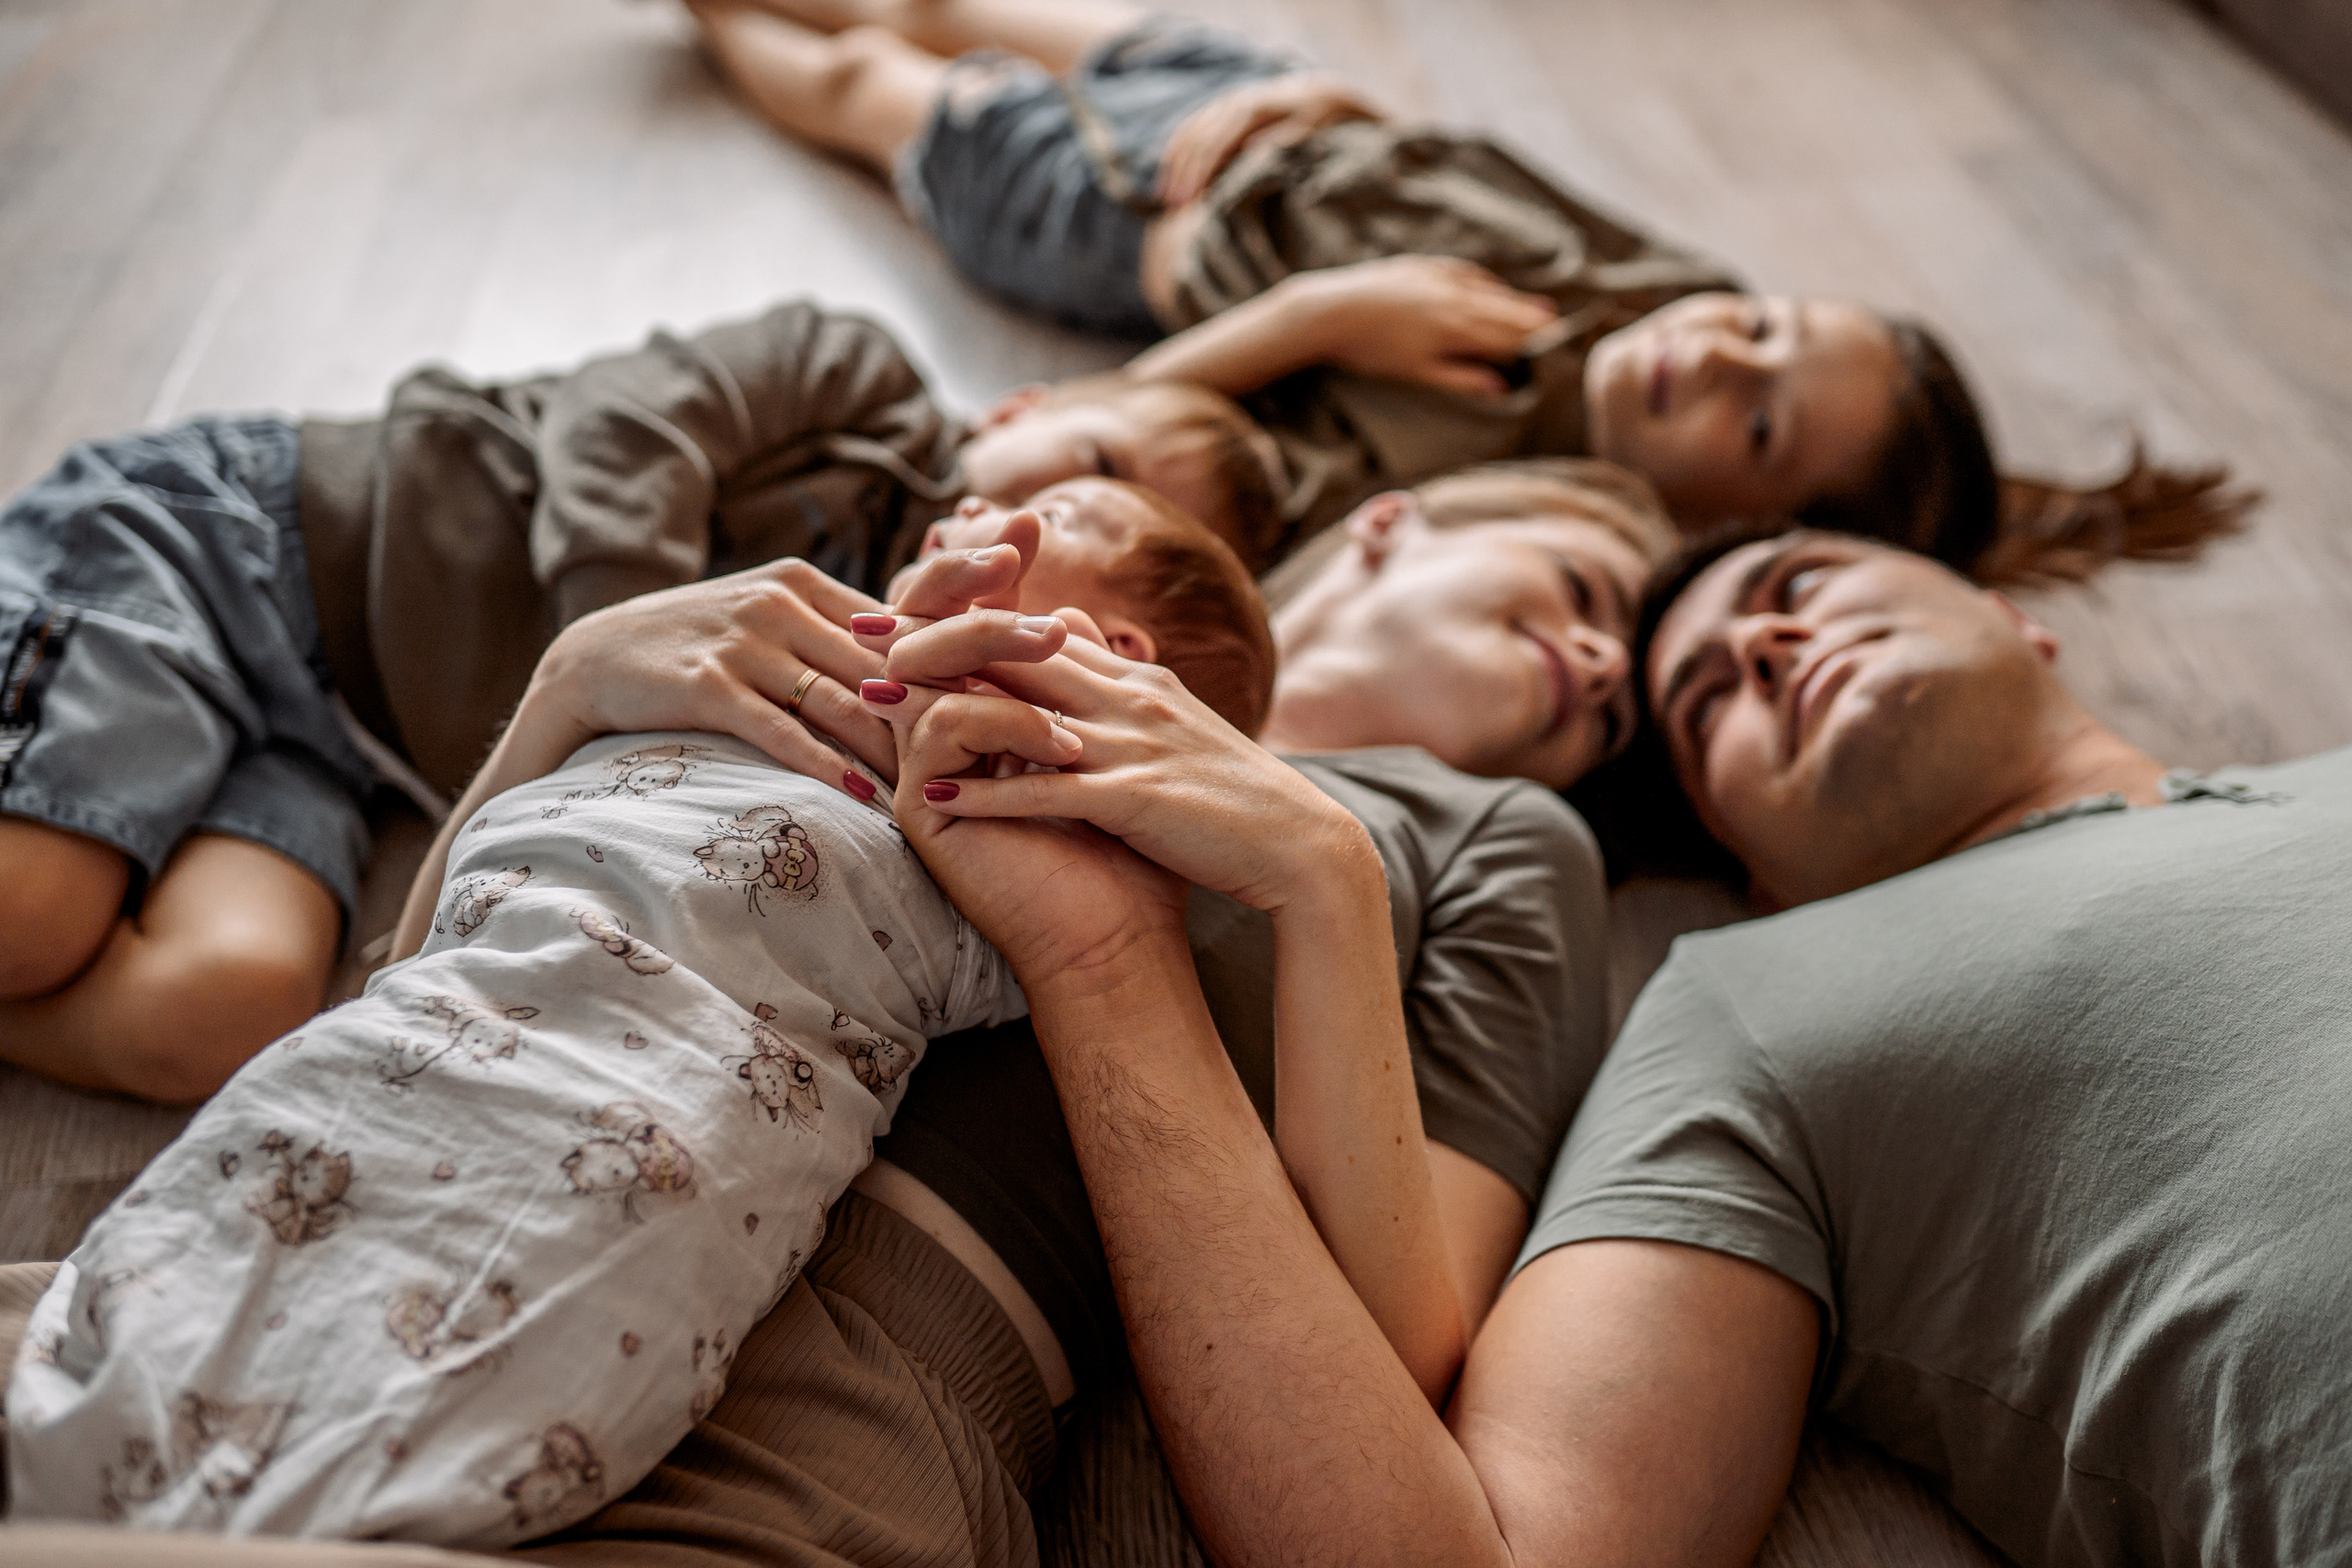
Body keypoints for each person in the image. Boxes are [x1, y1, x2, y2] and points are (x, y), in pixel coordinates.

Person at [0, 457, 1653, 1562]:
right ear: (1402, 515)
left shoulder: (1474, 838)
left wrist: (1316, 878)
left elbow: (1396, 1380)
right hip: (388, 1182)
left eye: (1634, 686)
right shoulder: (865, 619)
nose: (1604, 655)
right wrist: (571, 684)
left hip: (854, 1386)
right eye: (1586, 576)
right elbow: (428, 989)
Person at [837, 524, 2351, 1568]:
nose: (1761, 639)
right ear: (1755, 861)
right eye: (1705, 705)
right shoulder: (1751, 1008)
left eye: (1803, 577)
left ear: (2015, 615)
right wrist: (1120, 957)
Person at [0, 298, 1281, 1104]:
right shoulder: (863, 384)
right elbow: (622, 424)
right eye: (1093, 476)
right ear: (1024, 406)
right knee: (34, 909)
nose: (1021, 541)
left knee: (218, 1013)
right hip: (258, 543)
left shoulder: (897, 705)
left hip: (348, 748)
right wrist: (622, 647)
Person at [684, 0, 2257, 570]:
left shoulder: (1512, 492)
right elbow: (1485, 170)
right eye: (1762, 329)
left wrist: (1326, 319)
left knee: (857, 80)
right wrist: (1331, 106)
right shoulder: (1678, 285)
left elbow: (1151, 425)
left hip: (1129, 211)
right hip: (1252, 103)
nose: (1713, 356)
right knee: (936, 1)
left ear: (1733, 522)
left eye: (1760, 423)